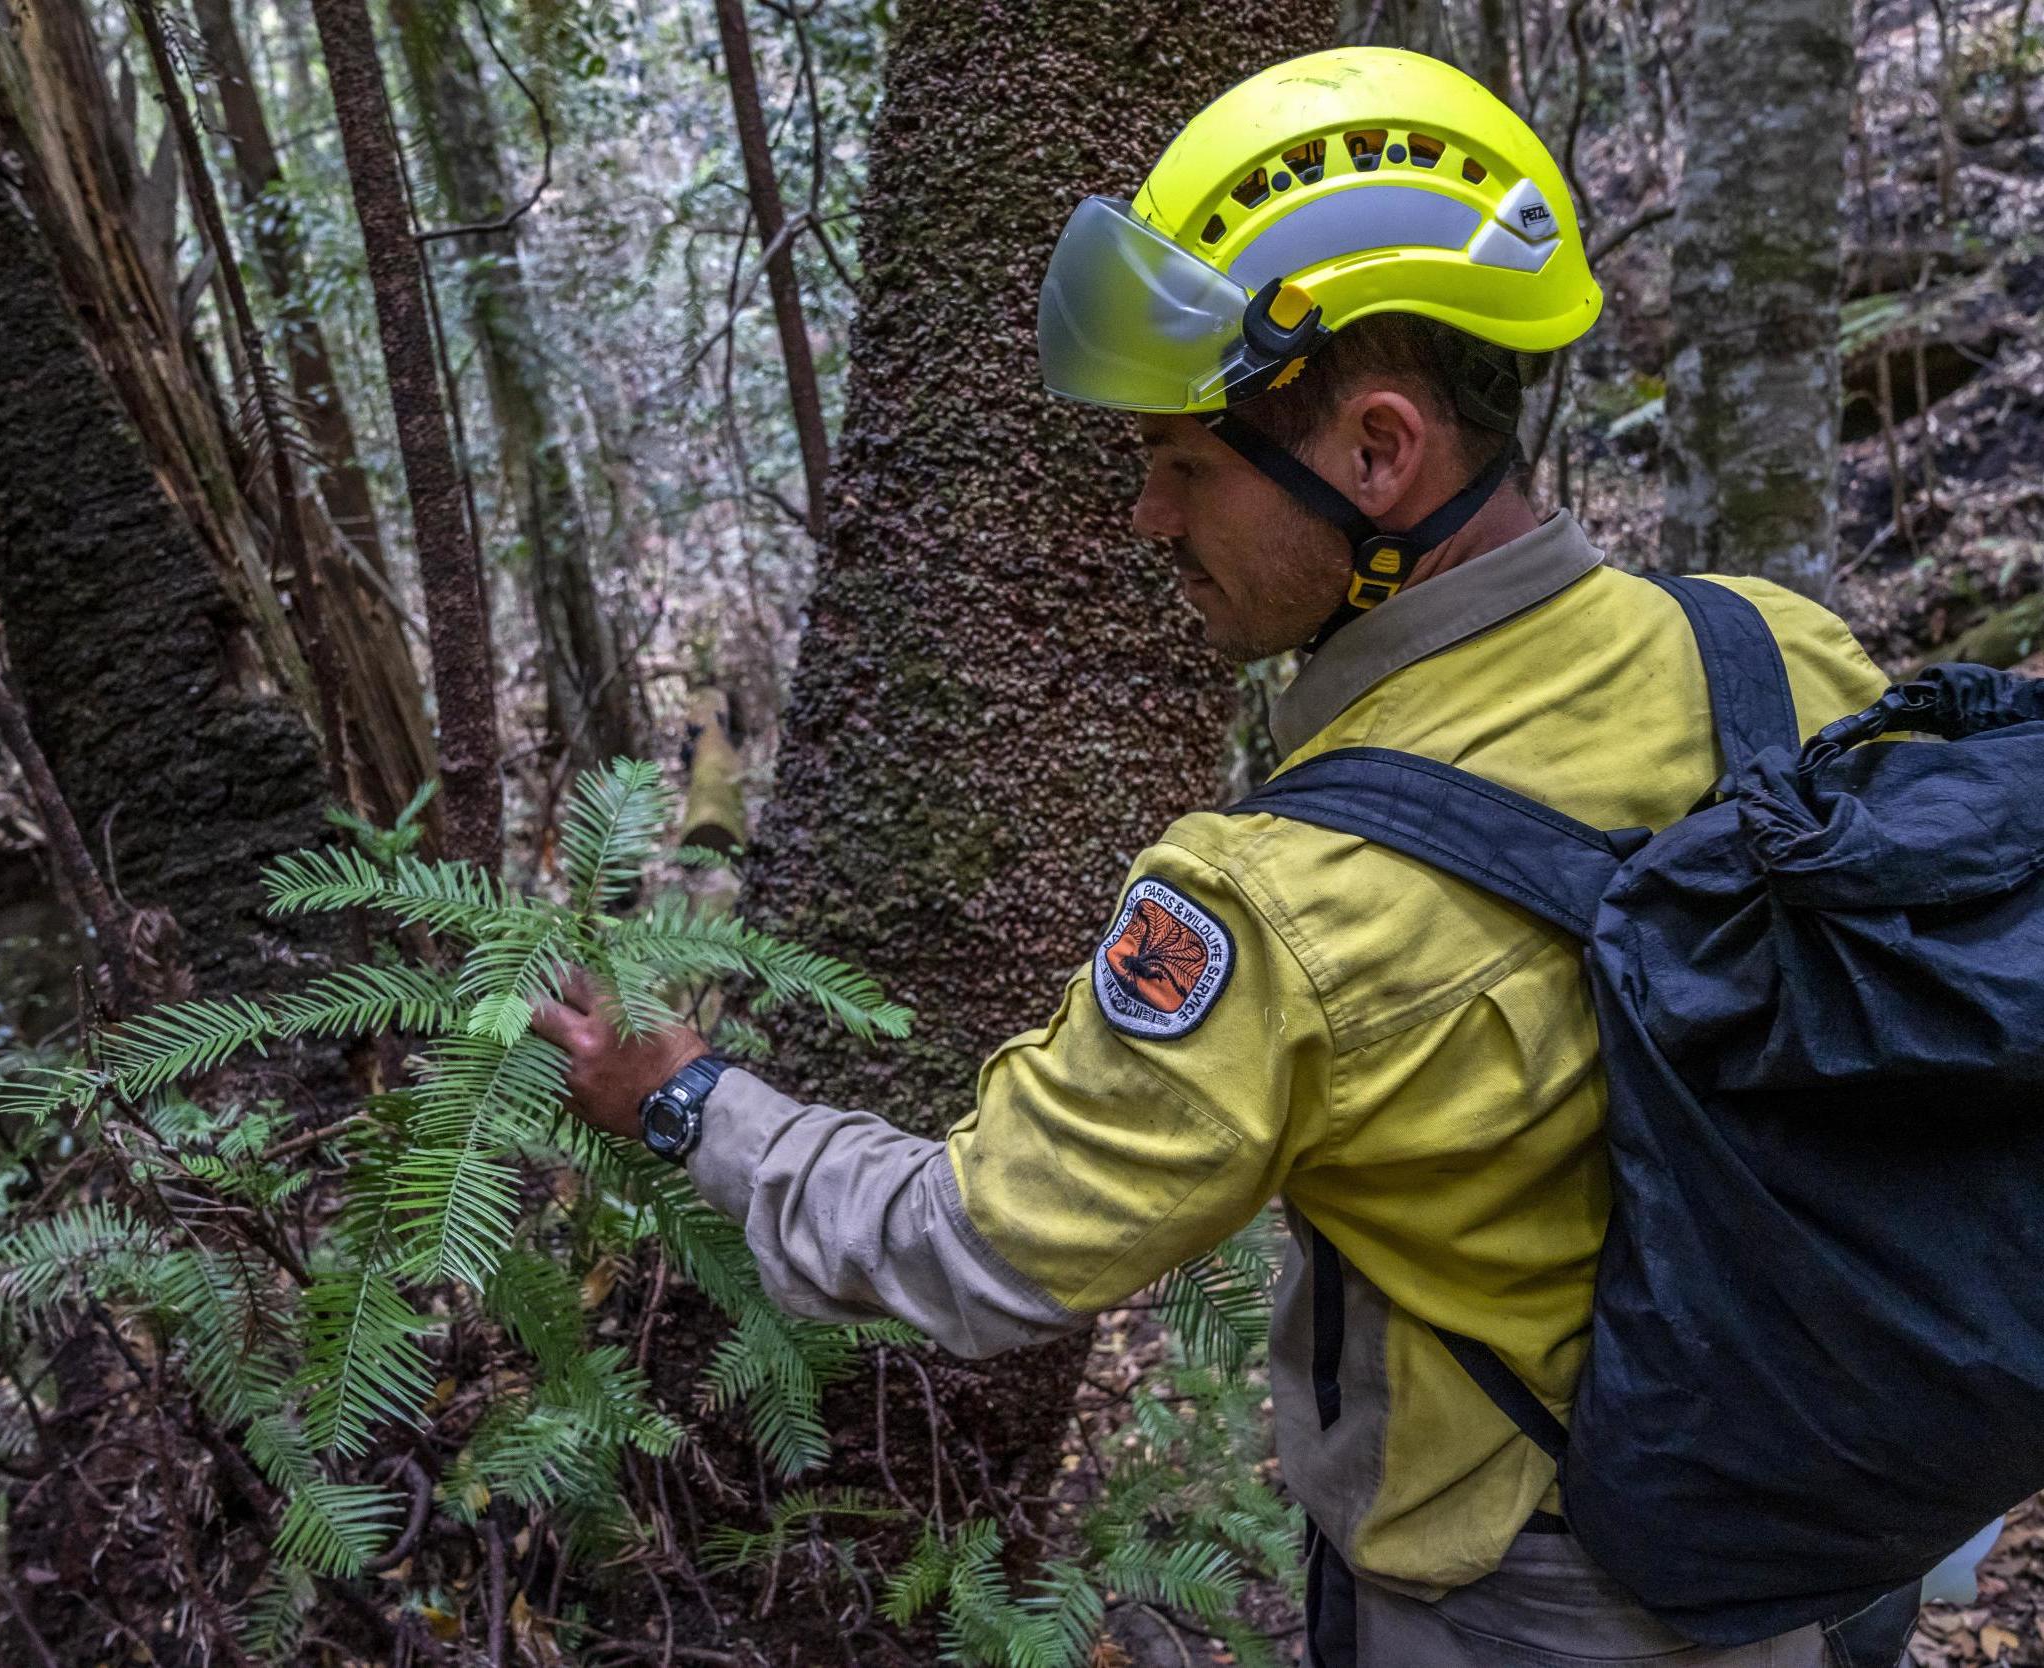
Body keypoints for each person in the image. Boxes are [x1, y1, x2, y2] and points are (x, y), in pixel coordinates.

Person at [534, 46, 1896, 1668]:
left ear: (1379, 453)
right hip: (1850, 1511)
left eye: (1185, 464)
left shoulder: (1278, 902)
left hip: (1538, 1601)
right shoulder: (1788, 654)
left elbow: (983, 1247)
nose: (1146, 521)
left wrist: (690, 1103)